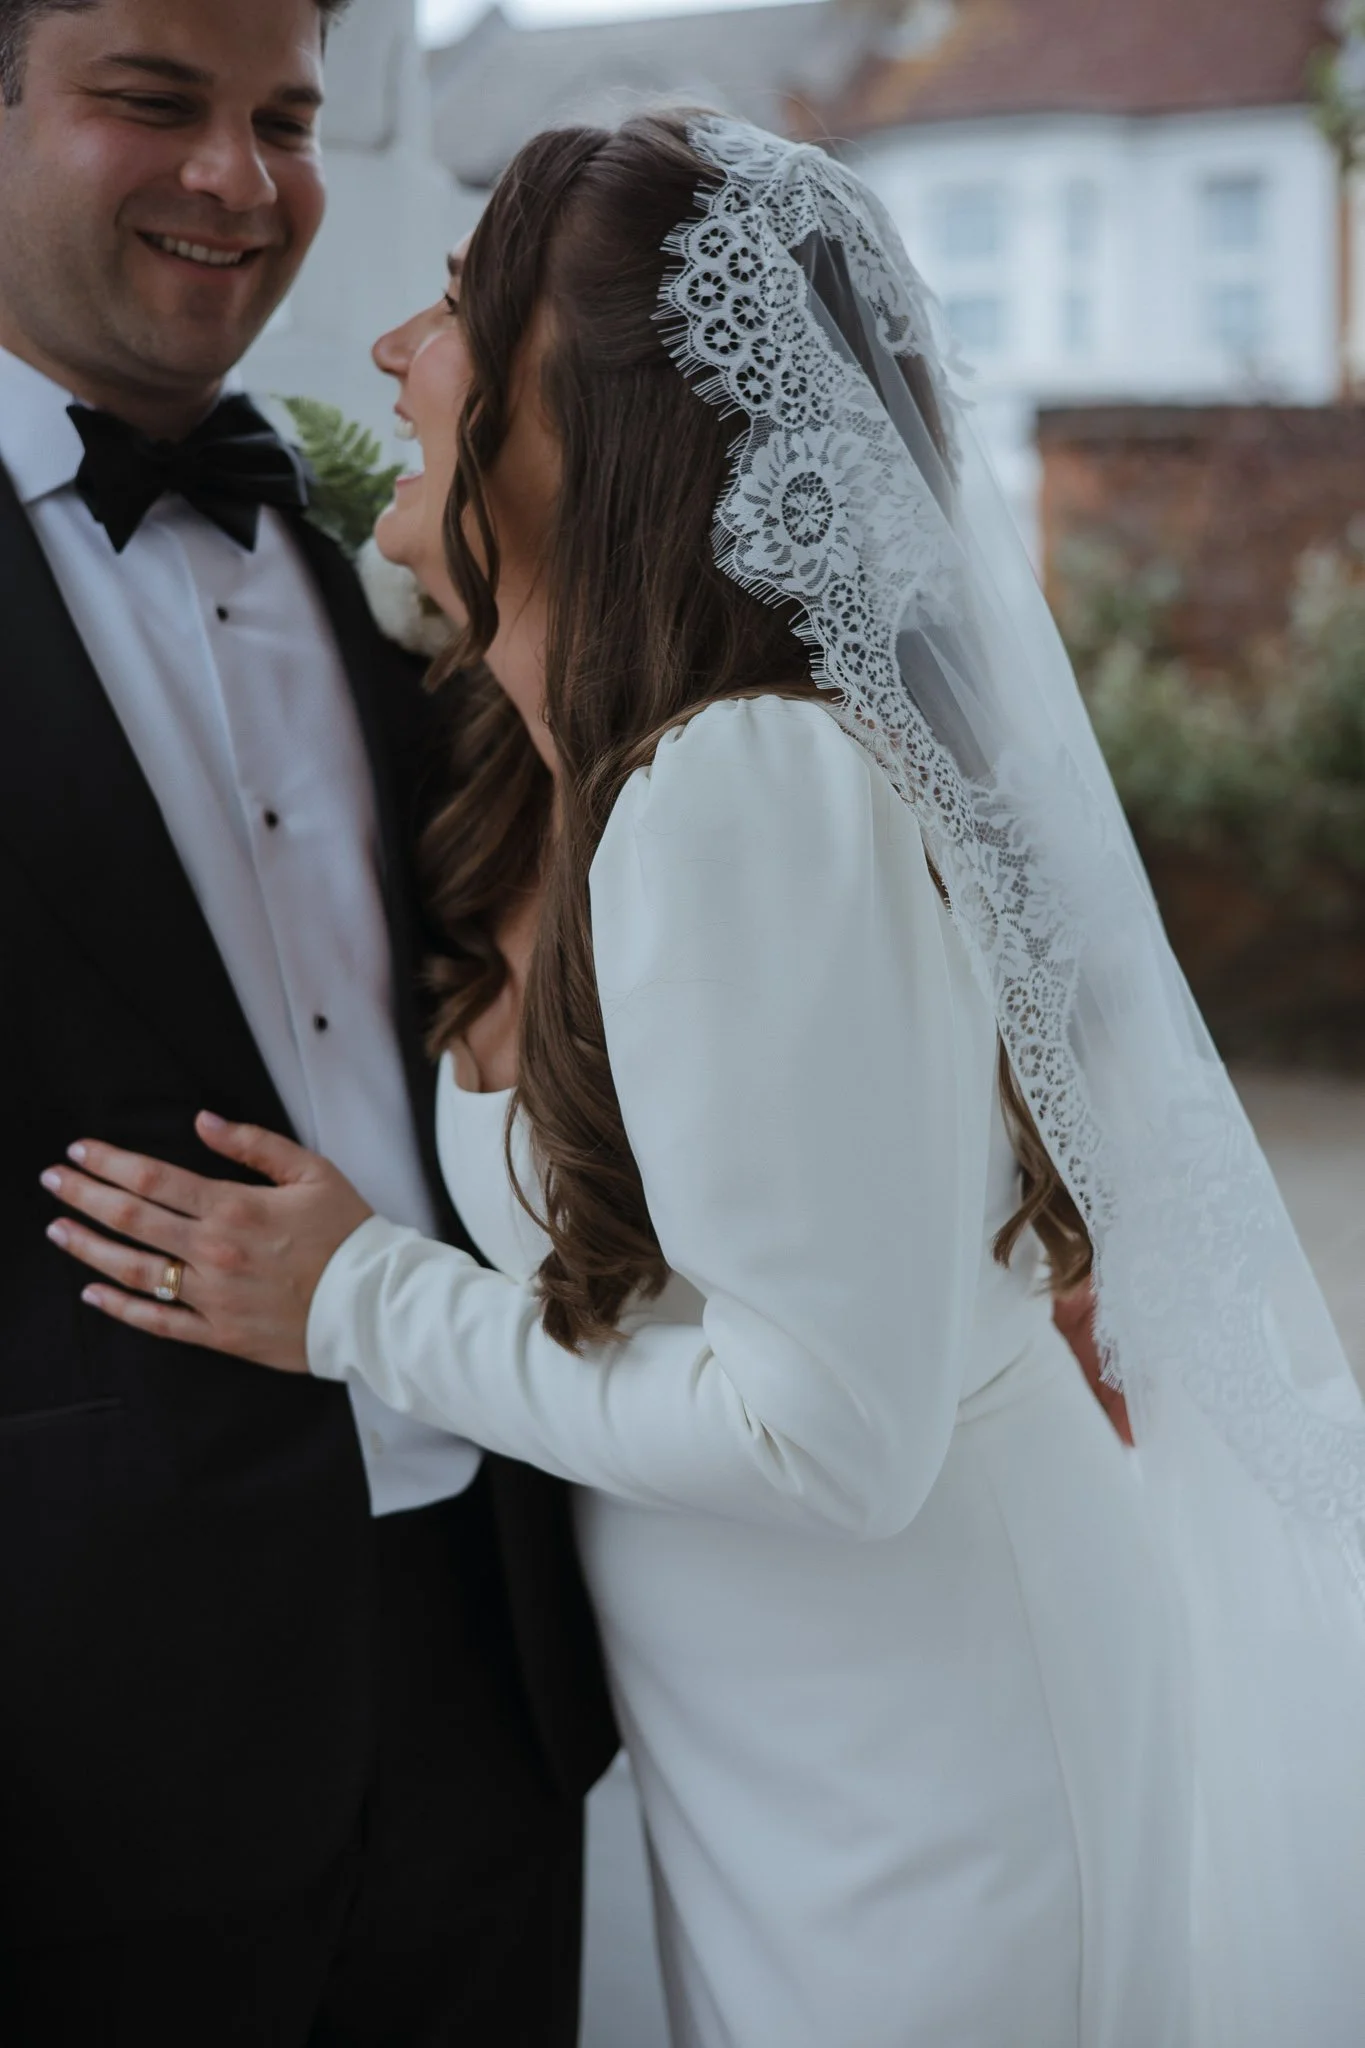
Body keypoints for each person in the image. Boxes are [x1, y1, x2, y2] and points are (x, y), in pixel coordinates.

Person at [43, 112, 1365, 2048]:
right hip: (768, 1739)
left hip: (935, 1754)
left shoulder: (741, 784)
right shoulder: (551, 758)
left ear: (586, 416)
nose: (395, 354)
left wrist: (357, 1298)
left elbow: (822, 1436)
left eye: (455, 307)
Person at [0, 3, 615, 2041]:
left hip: (497, 1639)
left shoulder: (408, 540)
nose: (239, 181)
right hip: (89, 1718)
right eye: (153, 104)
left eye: (282, 119)